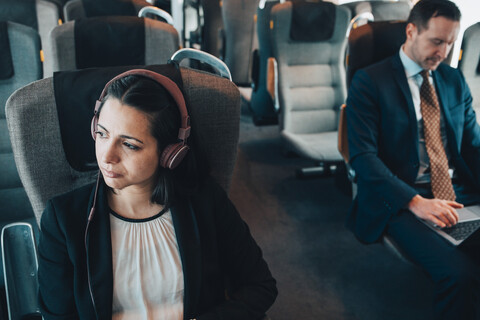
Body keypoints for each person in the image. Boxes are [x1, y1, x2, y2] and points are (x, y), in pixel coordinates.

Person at [37, 69, 277, 319]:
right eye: (102, 134)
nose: (106, 156)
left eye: (129, 144)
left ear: (170, 152)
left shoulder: (205, 200)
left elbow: (260, 286)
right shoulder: (63, 219)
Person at [346, 0, 480, 319]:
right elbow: (363, 159)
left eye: (450, 42)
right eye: (436, 41)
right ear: (411, 31)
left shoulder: (452, 80)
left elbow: (472, 146)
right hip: (404, 199)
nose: (444, 51)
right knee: (459, 275)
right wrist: (415, 201)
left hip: (458, 193)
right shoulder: (370, 82)